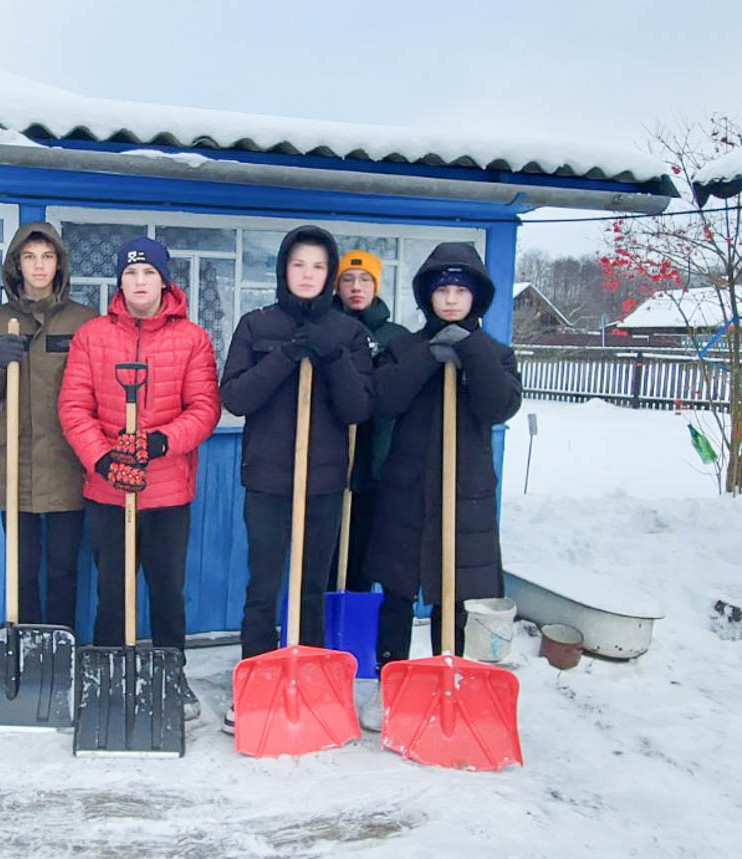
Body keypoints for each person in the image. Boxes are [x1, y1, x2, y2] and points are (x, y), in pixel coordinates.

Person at [219, 225, 376, 733]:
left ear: (330, 275)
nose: (307, 275)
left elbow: (358, 408)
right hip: (267, 478)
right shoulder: (256, 325)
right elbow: (237, 398)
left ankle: (309, 683)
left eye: (318, 266)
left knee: (309, 587)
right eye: (298, 264)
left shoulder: (348, 333)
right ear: (284, 269)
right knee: (263, 587)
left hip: (324, 481)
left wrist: (330, 357)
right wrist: (285, 358)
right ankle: (254, 684)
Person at [359, 242, 522, 730]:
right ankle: (391, 681)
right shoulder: (404, 347)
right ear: (427, 296)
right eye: (442, 290)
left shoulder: (494, 353)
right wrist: (428, 357)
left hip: (463, 492)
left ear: (478, 298)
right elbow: (383, 399)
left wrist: (468, 349)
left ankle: (447, 680)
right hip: (406, 491)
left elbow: (499, 407)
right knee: (398, 592)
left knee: (453, 593)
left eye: (460, 291)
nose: (450, 299)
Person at [58, 237, 220, 721]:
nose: (140, 282)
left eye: (149, 273)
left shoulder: (192, 338)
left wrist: (160, 443)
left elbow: (204, 409)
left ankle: (172, 674)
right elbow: (73, 407)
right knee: (113, 589)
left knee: (168, 590)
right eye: (131, 274)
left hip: (168, 491)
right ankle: (110, 674)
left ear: (164, 280)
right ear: (119, 282)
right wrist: (103, 460)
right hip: (108, 491)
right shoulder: (93, 336)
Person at [0, 223, 97, 630]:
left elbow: (99, 390)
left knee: (62, 569)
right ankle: (25, 646)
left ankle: (60, 647)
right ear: (16, 265)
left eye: (47, 256)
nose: (39, 266)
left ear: (59, 264)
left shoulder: (85, 321)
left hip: (67, 464)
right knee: (22, 570)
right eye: (29, 257)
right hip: (16, 466)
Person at [330, 250, 410, 590]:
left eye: (365, 279)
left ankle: (355, 618)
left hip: (377, 459)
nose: (356, 287)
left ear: (376, 286)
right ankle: (317, 626)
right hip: (332, 454)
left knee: (365, 548)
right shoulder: (325, 328)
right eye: (348, 279)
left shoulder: (396, 337)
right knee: (326, 549)